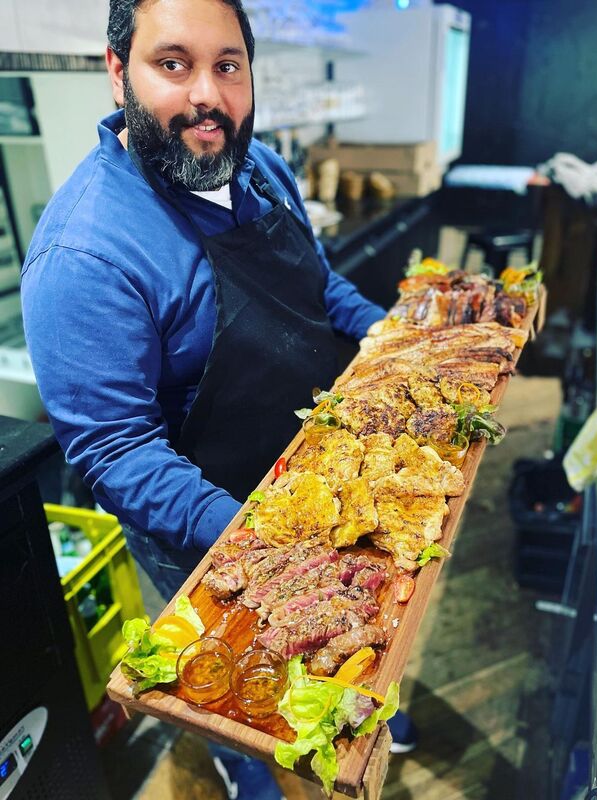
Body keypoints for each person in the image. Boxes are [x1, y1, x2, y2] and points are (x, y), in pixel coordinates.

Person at [21, 0, 417, 796]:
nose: (207, 95)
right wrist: (269, 548)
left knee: (358, 654)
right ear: (117, 71)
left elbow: (320, 286)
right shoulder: (83, 255)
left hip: (327, 476)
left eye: (227, 65)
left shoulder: (258, 165)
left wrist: (397, 343)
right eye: (173, 64)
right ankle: (252, 771)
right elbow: (117, 452)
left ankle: (368, 704)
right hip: (210, 526)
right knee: (259, 708)